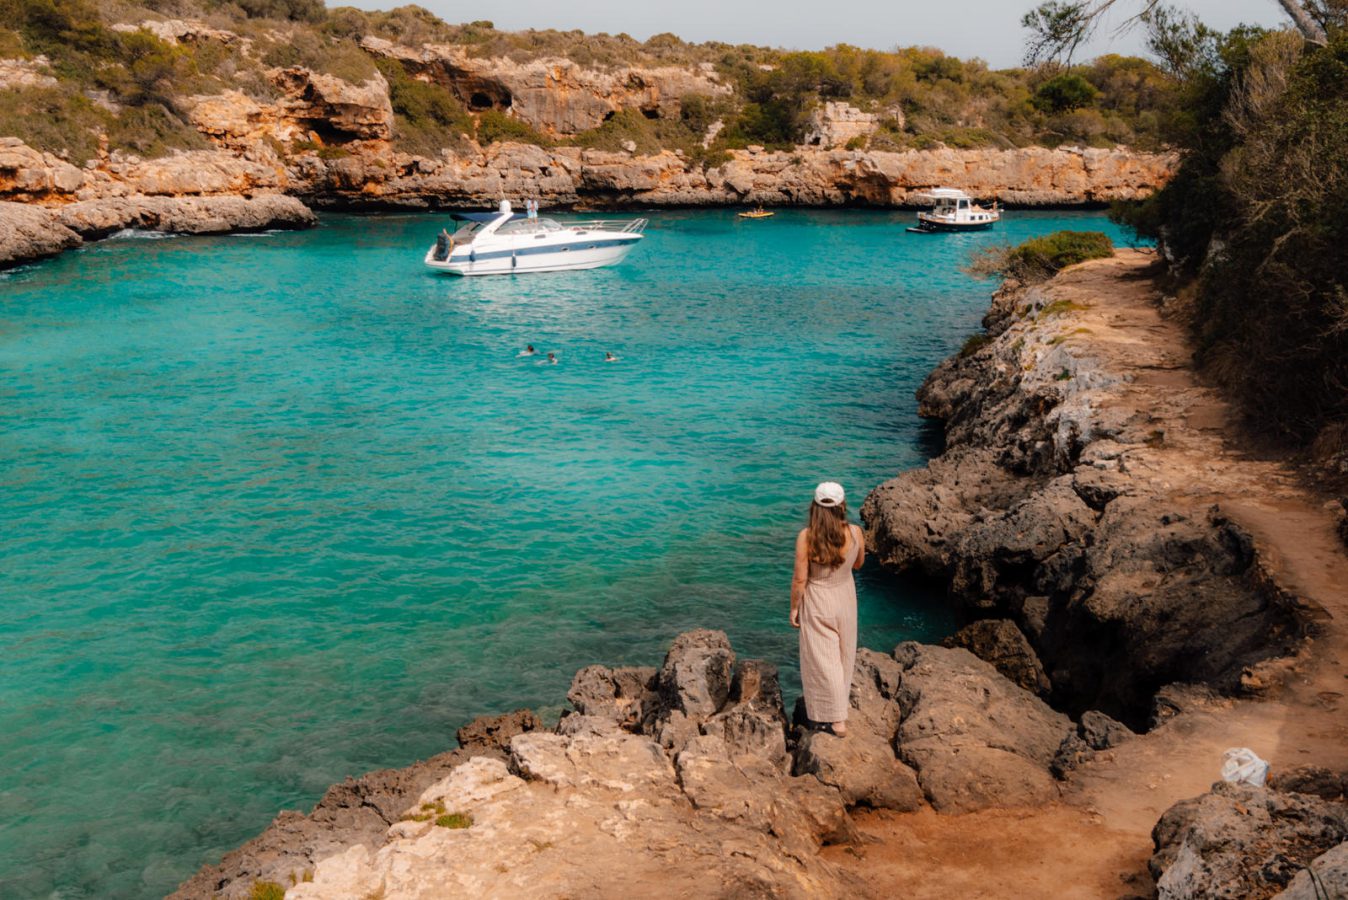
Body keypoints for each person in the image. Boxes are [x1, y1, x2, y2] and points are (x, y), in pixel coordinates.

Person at [790, 481, 863, 737]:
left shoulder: (806, 537)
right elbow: (858, 564)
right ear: (842, 505)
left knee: (824, 659)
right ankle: (838, 711)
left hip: (818, 598)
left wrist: (794, 608)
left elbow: (800, 580)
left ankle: (836, 718)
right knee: (845, 654)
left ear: (814, 506)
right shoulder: (855, 532)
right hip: (845, 596)